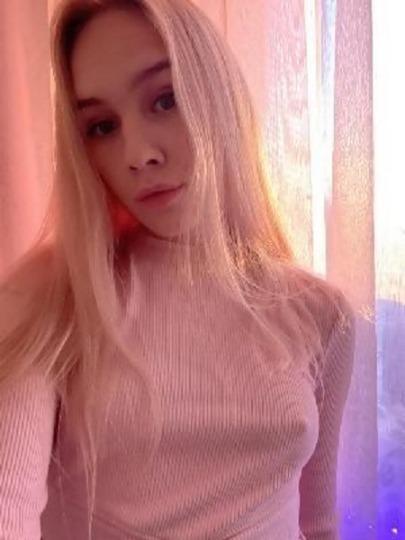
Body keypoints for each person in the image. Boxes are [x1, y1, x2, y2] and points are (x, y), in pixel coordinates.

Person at [0, 0, 356, 539]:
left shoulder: (322, 314)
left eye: (165, 99)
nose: (138, 153)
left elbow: (319, 525)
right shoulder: (53, 294)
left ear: (216, 93)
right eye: (101, 126)